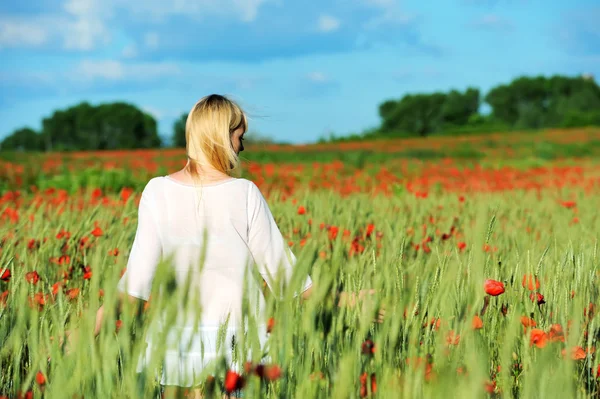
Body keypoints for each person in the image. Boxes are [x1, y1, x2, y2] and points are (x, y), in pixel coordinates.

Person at [91, 94, 383, 399]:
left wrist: (84, 332)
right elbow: (287, 280)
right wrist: (348, 300)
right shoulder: (245, 193)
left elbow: (134, 286)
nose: (241, 147)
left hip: (177, 351)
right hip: (237, 353)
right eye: (238, 136)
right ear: (221, 135)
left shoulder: (157, 192)